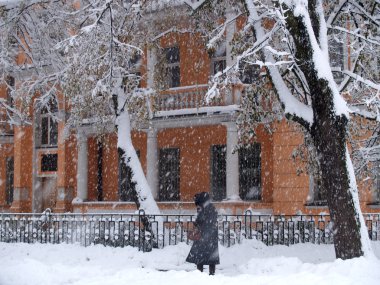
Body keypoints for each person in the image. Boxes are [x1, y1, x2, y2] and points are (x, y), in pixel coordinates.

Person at [186, 192, 220, 275]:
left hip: (203, 235)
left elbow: (200, 220)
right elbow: (211, 220)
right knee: (211, 256)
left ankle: (199, 273)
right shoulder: (211, 207)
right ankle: (211, 273)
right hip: (211, 235)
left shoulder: (204, 208)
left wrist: (196, 224)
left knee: (200, 255)